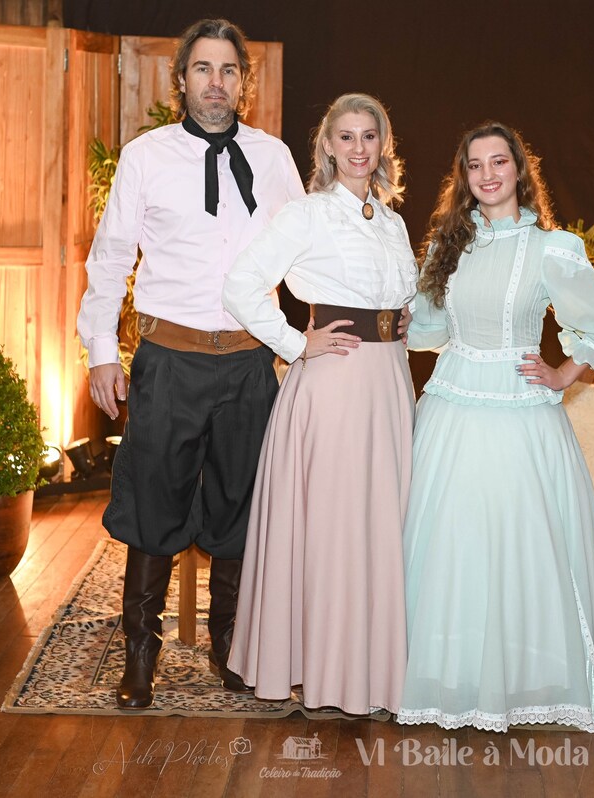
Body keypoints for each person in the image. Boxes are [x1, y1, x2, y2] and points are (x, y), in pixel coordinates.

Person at [76, 18, 305, 709]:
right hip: (168, 362)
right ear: (181, 79)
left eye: (228, 70)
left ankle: (229, 645)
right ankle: (140, 654)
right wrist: (100, 352)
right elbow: (110, 259)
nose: (215, 83)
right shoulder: (146, 157)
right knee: (154, 505)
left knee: (241, 506)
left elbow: (308, 253)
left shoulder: (273, 158)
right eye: (203, 69)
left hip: (247, 362)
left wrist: (353, 321)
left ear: (244, 82)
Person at [397, 122, 594, 732]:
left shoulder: (552, 247)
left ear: (519, 170)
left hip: (522, 412)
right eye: (475, 165)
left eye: (498, 162)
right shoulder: (450, 244)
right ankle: (446, 676)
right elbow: (426, 328)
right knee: (451, 544)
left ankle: (524, 680)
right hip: (451, 405)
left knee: (521, 546)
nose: (488, 175)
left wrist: (564, 372)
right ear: (464, 177)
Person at [222, 93, 416, 715]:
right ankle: (328, 673)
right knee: (334, 528)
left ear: (383, 145)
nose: (359, 148)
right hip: (334, 385)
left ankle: (374, 669)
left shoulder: (392, 222)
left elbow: (402, 301)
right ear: (328, 146)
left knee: (379, 527)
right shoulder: (307, 215)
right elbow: (240, 286)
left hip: (389, 385)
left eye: (369, 136)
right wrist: (295, 343)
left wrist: (409, 321)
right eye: (347, 137)